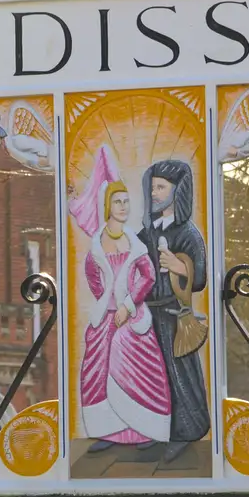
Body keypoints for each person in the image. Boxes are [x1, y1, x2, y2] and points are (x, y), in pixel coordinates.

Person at [70, 148, 172, 452]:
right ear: (107, 206)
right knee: (97, 367)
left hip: (132, 316)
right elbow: (91, 273)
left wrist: (128, 304)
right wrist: (105, 299)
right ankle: (107, 432)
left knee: (133, 364)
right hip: (105, 316)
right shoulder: (97, 242)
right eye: (118, 202)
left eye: (127, 202)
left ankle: (144, 430)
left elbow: (149, 276)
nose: (124, 207)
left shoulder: (134, 241)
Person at [138, 159, 211, 461]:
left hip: (173, 315)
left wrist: (179, 266)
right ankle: (158, 431)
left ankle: (187, 431)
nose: (154, 193)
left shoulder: (188, 233)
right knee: (154, 375)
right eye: (152, 186)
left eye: (161, 187)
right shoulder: (146, 234)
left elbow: (201, 278)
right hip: (148, 315)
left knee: (179, 374)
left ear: (177, 191)